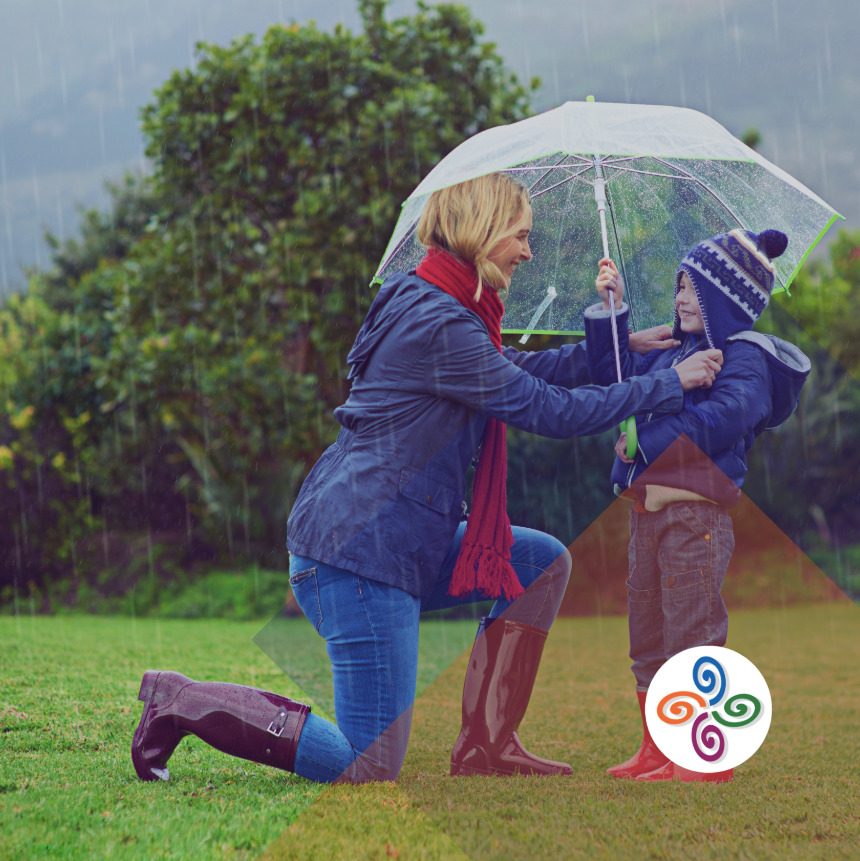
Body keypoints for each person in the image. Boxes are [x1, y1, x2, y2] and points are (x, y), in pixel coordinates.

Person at [131, 172, 723, 785]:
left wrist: (615, 347)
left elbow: (508, 368)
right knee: (367, 764)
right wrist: (666, 383)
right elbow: (543, 408)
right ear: (483, 230)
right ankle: (180, 700)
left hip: (400, 533)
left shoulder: (435, 301)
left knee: (539, 562)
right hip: (362, 551)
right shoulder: (442, 321)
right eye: (520, 236)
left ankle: (486, 745)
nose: (527, 251)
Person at [585, 228, 810, 783]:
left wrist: (646, 439)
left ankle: (703, 759)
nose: (681, 297)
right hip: (647, 514)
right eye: (679, 285)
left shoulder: (746, 358)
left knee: (692, 634)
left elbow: (724, 419)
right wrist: (611, 312)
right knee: (649, 640)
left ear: (726, 297)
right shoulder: (677, 351)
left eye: (693, 287)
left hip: (694, 517)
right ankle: (657, 748)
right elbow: (612, 379)